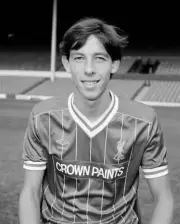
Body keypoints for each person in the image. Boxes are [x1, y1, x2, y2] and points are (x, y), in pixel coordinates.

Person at [19, 17, 174, 224]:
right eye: (79, 58)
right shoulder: (42, 118)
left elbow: (163, 197)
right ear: (66, 63)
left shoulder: (143, 122)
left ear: (114, 64)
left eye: (99, 58)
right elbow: (30, 192)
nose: (89, 69)